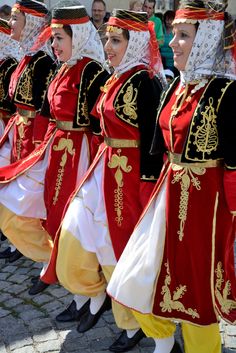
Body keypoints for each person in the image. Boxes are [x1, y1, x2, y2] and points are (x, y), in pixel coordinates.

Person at [107, 1, 236, 353]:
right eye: (174, 34)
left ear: (207, 40)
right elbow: (156, 147)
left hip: (204, 209)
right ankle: (164, 342)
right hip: (167, 196)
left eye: (183, 35)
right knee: (131, 278)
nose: (173, 42)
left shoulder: (225, 93)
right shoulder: (175, 86)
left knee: (196, 295)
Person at [55, 8, 164, 353]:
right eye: (107, 39)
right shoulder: (116, 77)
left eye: (117, 40)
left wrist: (146, 187)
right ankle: (94, 294)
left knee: (120, 248)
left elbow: (151, 140)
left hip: (129, 178)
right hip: (106, 167)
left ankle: (134, 325)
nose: (109, 45)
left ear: (135, 44)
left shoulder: (145, 82)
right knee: (82, 232)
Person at [0, 1, 109, 296]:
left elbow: (101, 126)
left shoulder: (93, 72)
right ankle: (60, 268)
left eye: (60, 38)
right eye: (53, 37)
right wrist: (41, 151)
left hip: (80, 151)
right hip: (57, 147)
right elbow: (49, 114)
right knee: (51, 208)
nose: (53, 43)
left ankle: (89, 289)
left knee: (75, 216)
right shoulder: (62, 68)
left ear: (78, 37)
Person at [0, 0, 56, 263]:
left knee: (28, 197)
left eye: (15, 19)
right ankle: (20, 245)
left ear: (30, 23)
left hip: (32, 133)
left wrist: (37, 146)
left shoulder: (43, 60)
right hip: (19, 129)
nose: (11, 24)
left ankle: (46, 256)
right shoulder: (28, 56)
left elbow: (44, 107)